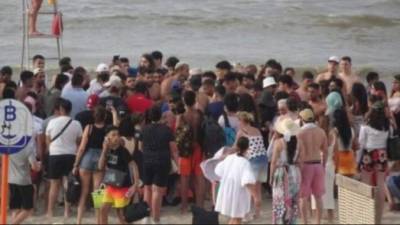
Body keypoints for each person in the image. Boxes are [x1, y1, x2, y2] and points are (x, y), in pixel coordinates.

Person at [45, 98, 82, 220]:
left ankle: (50, 211)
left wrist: (52, 148)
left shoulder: (52, 122)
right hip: (70, 155)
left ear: (61, 109)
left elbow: (48, 139)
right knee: (68, 183)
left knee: (54, 184)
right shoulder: (76, 124)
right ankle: (67, 211)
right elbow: (78, 142)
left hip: (55, 154)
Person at [141, 105, 179, 224]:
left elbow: (141, 147)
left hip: (147, 160)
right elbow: (173, 149)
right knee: (157, 191)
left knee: (147, 189)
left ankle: (146, 216)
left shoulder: (144, 129)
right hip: (162, 161)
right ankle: (156, 218)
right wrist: (177, 164)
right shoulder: (166, 130)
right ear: (160, 116)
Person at [72, 106, 108, 224]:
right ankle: (98, 220)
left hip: (87, 158)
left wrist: (76, 164)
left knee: (84, 192)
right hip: (100, 160)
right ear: (105, 117)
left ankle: (79, 221)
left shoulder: (89, 128)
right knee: (97, 192)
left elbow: (82, 148)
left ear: (94, 116)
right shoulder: (107, 129)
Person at [98, 126, 140, 224]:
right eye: (113, 135)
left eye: (118, 135)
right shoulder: (108, 150)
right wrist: (104, 150)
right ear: (107, 138)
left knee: (121, 215)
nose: (116, 137)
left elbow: (134, 166)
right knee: (103, 209)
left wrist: (135, 184)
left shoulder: (123, 151)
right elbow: (100, 167)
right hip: (111, 184)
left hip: (123, 186)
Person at [358, 100, 390, 223]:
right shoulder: (387, 126)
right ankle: (378, 219)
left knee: (366, 184)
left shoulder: (365, 127)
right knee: (381, 185)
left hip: (369, 154)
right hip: (382, 154)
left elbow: (361, 144)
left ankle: (366, 216)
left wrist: (358, 161)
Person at [214, 137, 257, 225]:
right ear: (247, 148)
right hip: (239, 194)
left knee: (234, 219)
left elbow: (218, 171)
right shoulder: (245, 163)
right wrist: (255, 196)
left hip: (227, 191)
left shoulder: (229, 158)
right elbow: (247, 180)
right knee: (237, 219)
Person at [297, 108, 328, 225]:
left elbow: (298, 152)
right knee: (318, 197)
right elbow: (325, 151)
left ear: (302, 119)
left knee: (303, 197)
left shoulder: (300, 133)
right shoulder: (321, 132)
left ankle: (305, 222)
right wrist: (323, 164)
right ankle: (318, 222)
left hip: (305, 165)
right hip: (318, 164)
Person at [176, 90, 205, 212]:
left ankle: (184, 206)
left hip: (186, 150)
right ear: (194, 100)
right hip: (198, 147)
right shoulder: (199, 114)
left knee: (184, 178)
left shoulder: (181, 116)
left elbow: (177, 134)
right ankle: (200, 205)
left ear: (184, 101)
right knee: (199, 178)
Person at [236, 111, 268, 219]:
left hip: (253, 160)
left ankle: (246, 214)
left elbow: (235, 147)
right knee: (258, 188)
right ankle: (257, 213)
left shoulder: (241, 131)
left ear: (242, 121)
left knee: (249, 189)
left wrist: (224, 153)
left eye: (238, 120)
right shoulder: (257, 130)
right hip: (263, 159)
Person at [270, 118, 301, 224]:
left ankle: (280, 222)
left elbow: (273, 162)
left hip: (281, 173)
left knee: (280, 200)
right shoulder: (298, 143)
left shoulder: (278, 142)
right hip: (294, 172)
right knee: (293, 201)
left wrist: (271, 177)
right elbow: (300, 161)